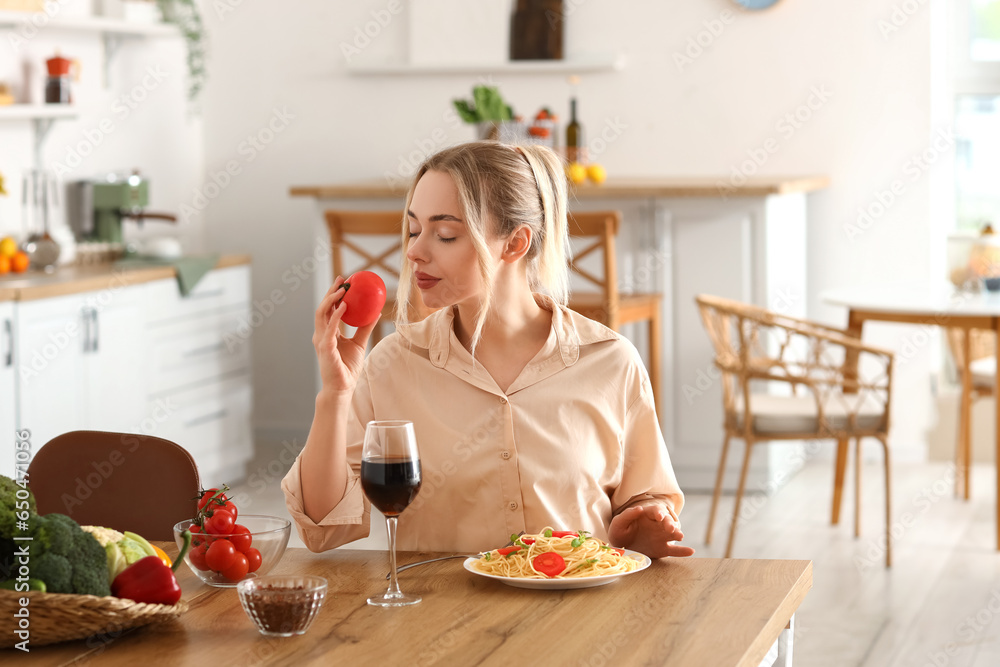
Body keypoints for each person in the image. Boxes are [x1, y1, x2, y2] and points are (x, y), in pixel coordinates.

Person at [282, 141, 695, 559]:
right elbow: (324, 529)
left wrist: (646, 524)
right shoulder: (393, 363)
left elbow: (644, 505)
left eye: (445, 234)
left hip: (575, 613)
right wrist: (335, 395)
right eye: (413, 229)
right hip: (438, 616)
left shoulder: (610, 361)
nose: (414, 251)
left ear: (515, 244)